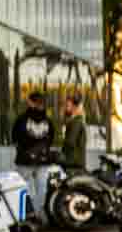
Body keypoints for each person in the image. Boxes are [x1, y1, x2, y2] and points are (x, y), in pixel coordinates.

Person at [11, 90, 57, 221]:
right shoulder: (48, 121)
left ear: (30, 102)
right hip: (43, 159)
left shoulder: (21, 119)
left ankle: (24, 213)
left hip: (25, 160)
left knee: (20, 187)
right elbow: (51, 139)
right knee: (41, 188)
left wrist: (24, 150)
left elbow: (14, 137)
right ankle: (36, 213)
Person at [60, 94, 88, 170]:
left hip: (73, 163)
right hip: (74, 162)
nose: (65, 108)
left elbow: (70, 141)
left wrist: (62, 155)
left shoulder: (76, 122)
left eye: (68, 106)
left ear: (74, 107)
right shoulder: (76, 121)